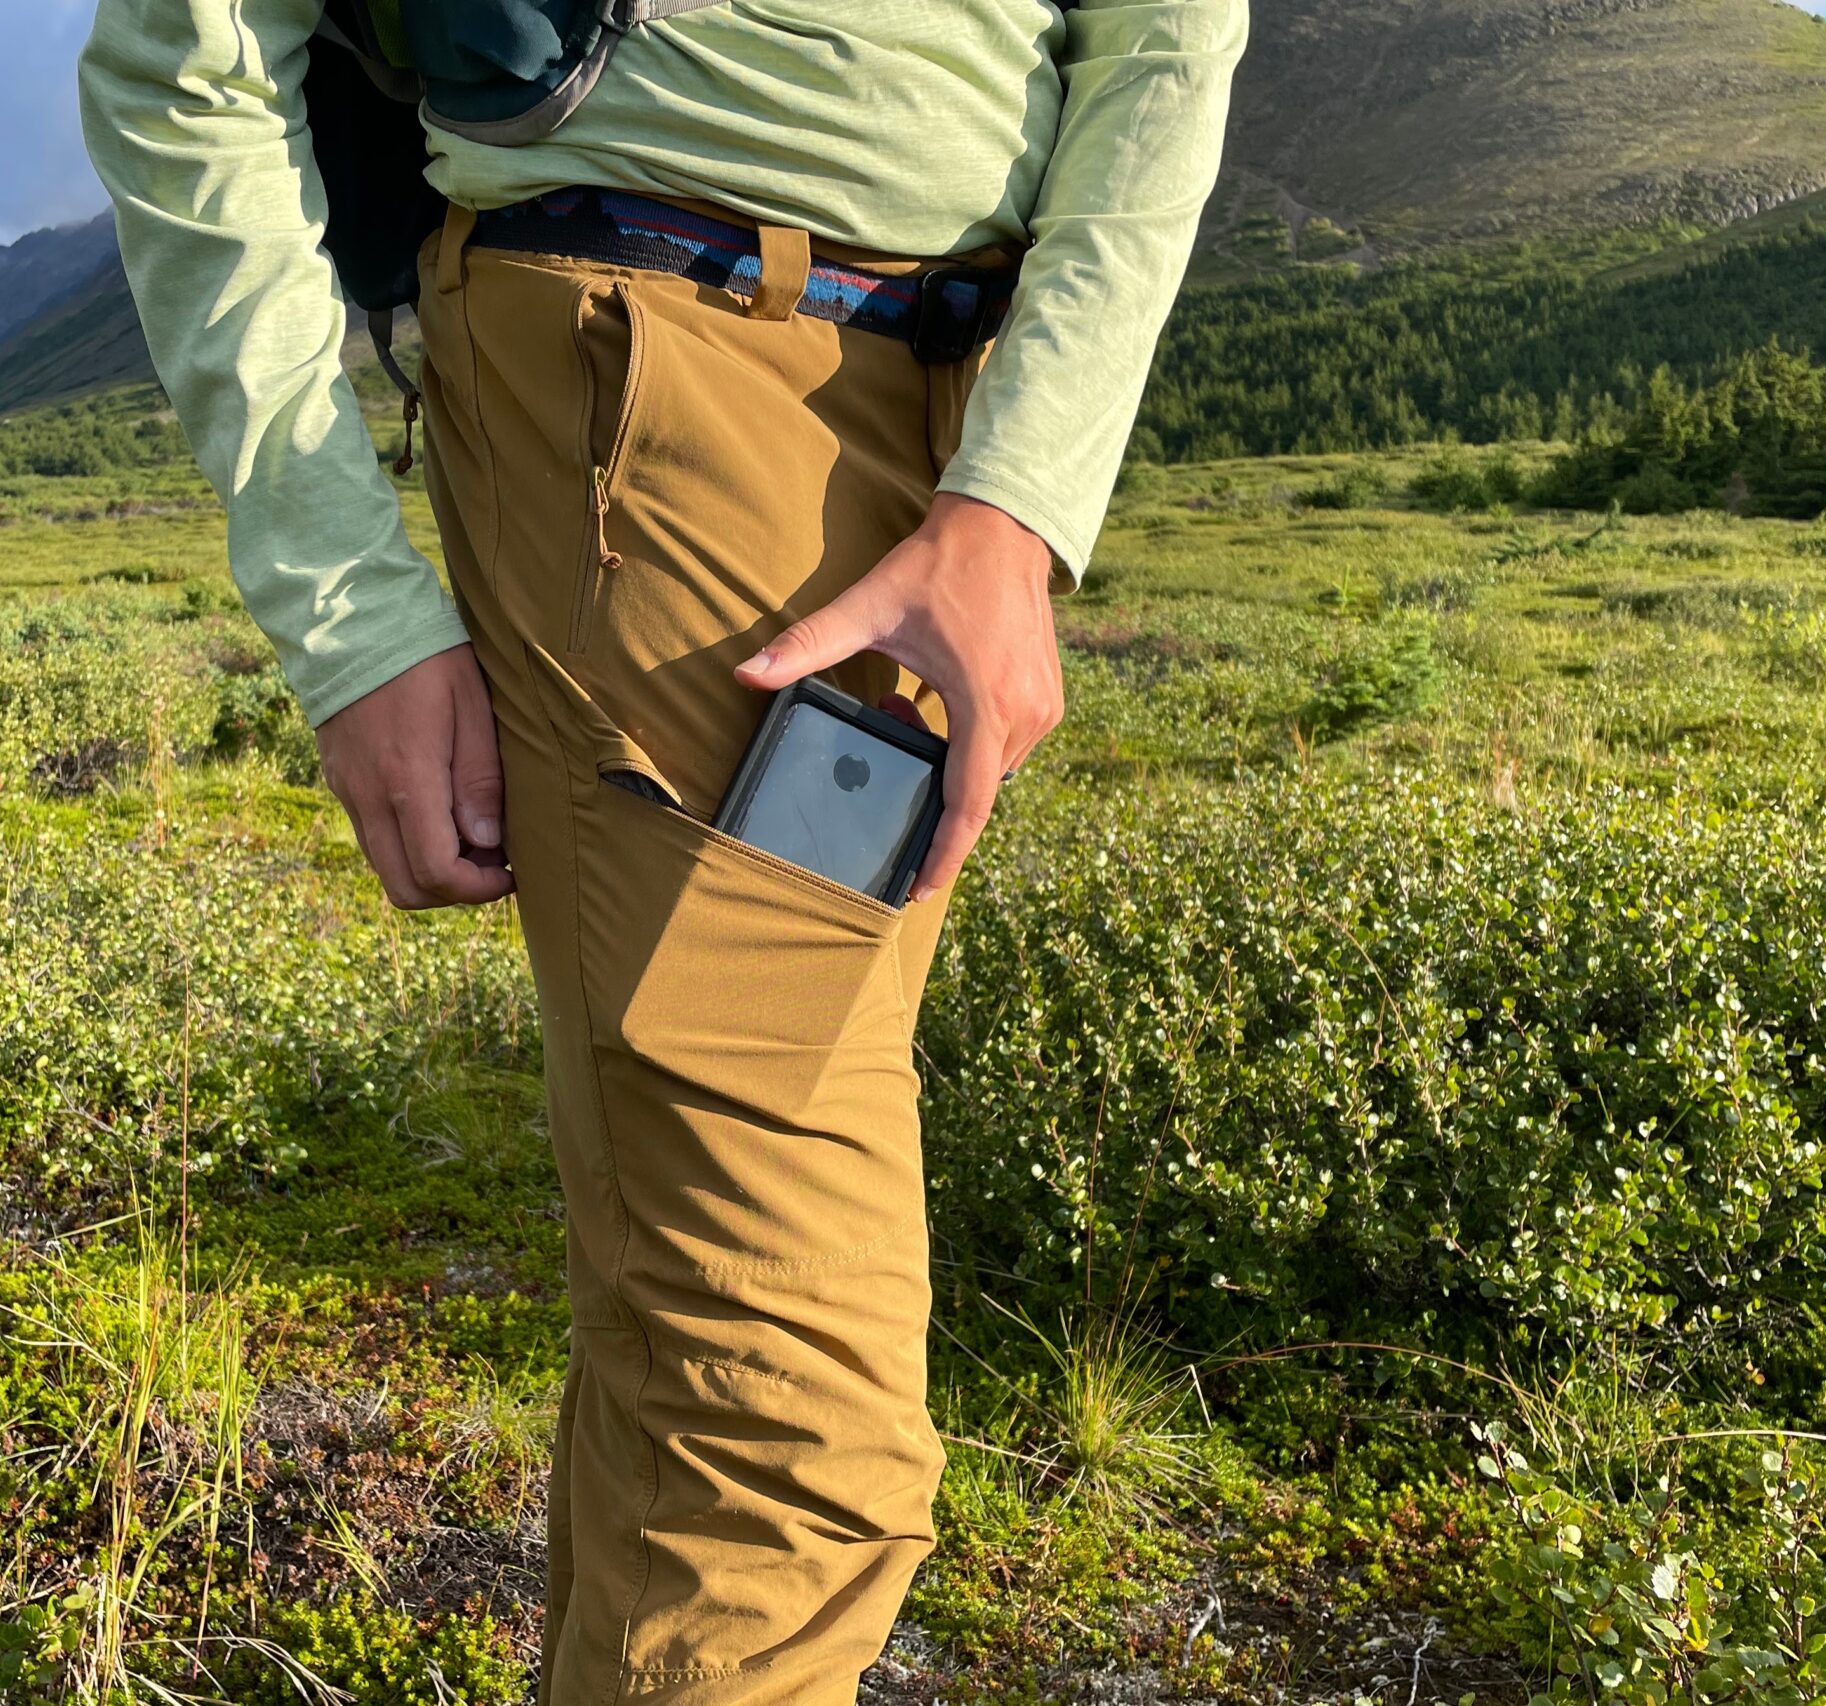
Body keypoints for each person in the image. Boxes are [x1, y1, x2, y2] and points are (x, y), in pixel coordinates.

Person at [77, 1, 1248, 1697]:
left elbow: (1167, 33)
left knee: (695, 1355)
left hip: (954, 436)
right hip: (661, 386)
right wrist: (351, 616)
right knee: (788, 1450)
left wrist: (1016, 499)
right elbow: (183, 55)